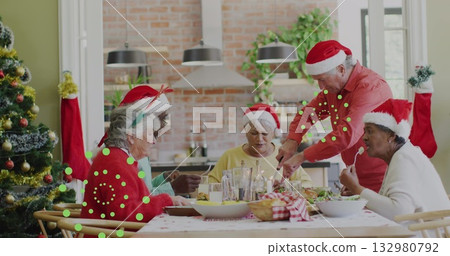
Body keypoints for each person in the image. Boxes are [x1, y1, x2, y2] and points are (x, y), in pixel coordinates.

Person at [277, 40, 392, 193]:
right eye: (317, 80)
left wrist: (303, 156)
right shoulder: (333, 90)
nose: (320, 87)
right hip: (355, 177)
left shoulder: (369, 87)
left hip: (384, 179)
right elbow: (308, 113)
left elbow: (346, 134)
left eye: (322, 79)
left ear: (341, 69)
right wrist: (292, 140)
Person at [81, 85, 189, 223]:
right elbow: (124, 213)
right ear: (131, 135)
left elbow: (135, 203)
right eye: (150, 134)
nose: (154, 141)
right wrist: (166, 200)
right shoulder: (115, 163)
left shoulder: (118, 158)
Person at [339, 99, 450, 221]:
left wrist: (356, 188)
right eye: (365, 131)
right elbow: (394, 205)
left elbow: (399, 212)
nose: (364, 137)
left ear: (391, 136)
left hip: (427, 234)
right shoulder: (401, 154)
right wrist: (358, 193)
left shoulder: (404, 158)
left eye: (370, 131)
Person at [208, 103, 313, 188]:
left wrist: (285, 187)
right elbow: (209, 184)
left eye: (264, 134)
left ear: (273, 133)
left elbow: (307, 184)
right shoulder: (230, 156)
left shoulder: (284, 155)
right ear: (246, 132)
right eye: (254, 133)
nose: (259, 139)